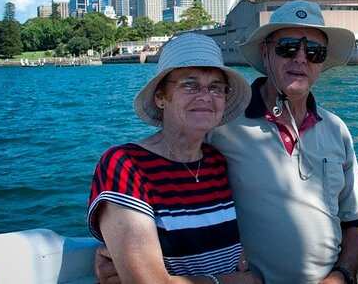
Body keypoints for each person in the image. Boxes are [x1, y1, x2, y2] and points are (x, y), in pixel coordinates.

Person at [96, 0, 358, 284]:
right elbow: (171, 164)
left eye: (314, 51)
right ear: (265, 52)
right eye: (288, 47)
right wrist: (122, 250)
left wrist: (341, 276)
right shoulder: (218, 126)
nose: (301, 58)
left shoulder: (337, 130)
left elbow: (355, 222)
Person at [88, 32, 261, 284]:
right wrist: (234, 282)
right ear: (160, 97)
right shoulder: (125, 164)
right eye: (189, 84)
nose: (205, 96)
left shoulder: (216, 162)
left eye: (216, 87)